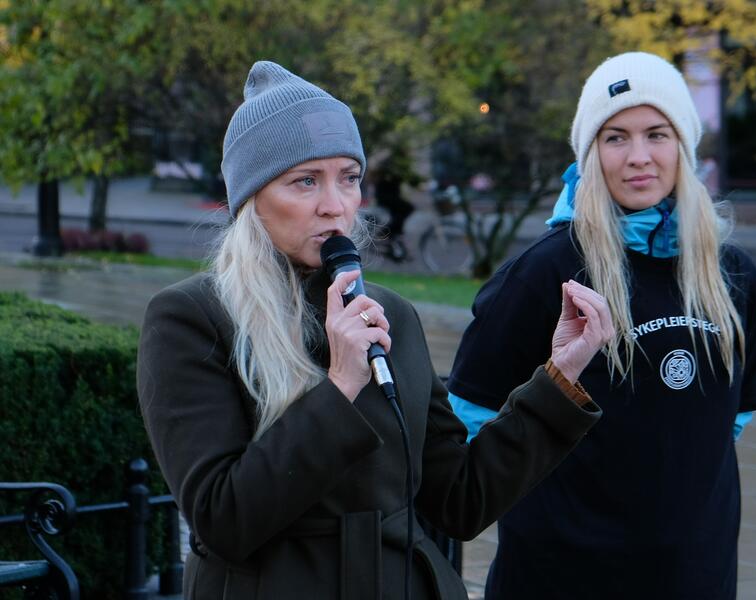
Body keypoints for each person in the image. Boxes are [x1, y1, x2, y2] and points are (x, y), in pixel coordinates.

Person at [136, 61, 614, 600]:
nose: (334, 205)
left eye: (349, 177)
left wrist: (559, 377)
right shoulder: (191, 318)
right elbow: (221, 519)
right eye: (305, 181)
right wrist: (340, 386)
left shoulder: (390, 314)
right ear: (252, 197)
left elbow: (460, 500)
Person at [447, 52, 756, 600]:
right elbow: (468, 431)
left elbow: (727, 424)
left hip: (697, 578)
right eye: (615, 137)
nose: (638, 157)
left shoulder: (732, 275)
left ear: (684, 148)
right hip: (560, 579)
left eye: (657, 134)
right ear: (590, 153)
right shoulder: (544, 274)